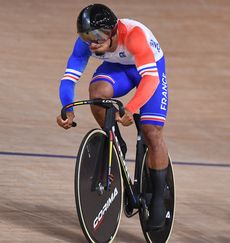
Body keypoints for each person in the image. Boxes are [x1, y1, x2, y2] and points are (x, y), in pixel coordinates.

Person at [56, 3, 169, 231]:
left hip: (149, 71)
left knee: (151, 132)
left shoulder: (134, 36)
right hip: (119, 69)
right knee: (96, 93)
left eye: (97, 35)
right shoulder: (87, 44)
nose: (92, 42)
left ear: (113, 31)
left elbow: (151, 80)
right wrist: (67, 107)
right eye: (86, 36)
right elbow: (69, 77)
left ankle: (158, 196)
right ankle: (115, 140)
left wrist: (132, 107)